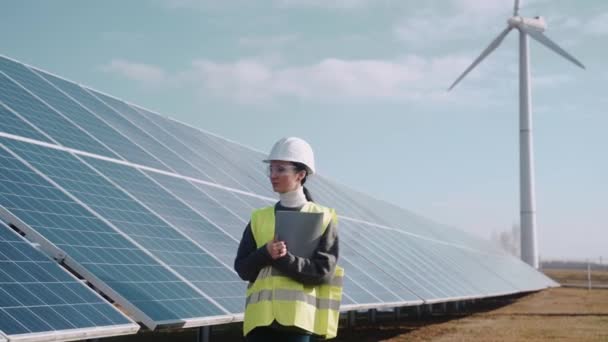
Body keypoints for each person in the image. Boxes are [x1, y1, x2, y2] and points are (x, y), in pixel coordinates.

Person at [234, 137, 344, 341]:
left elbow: (322, 272)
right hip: (260, 323)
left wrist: (283, 258)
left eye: (281, 169)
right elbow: (242, 268)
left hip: (298, 324)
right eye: (271, 169)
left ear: (301, 174)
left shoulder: (324, 217)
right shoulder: (259, 217)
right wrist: (265, 253)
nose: (273, 176)